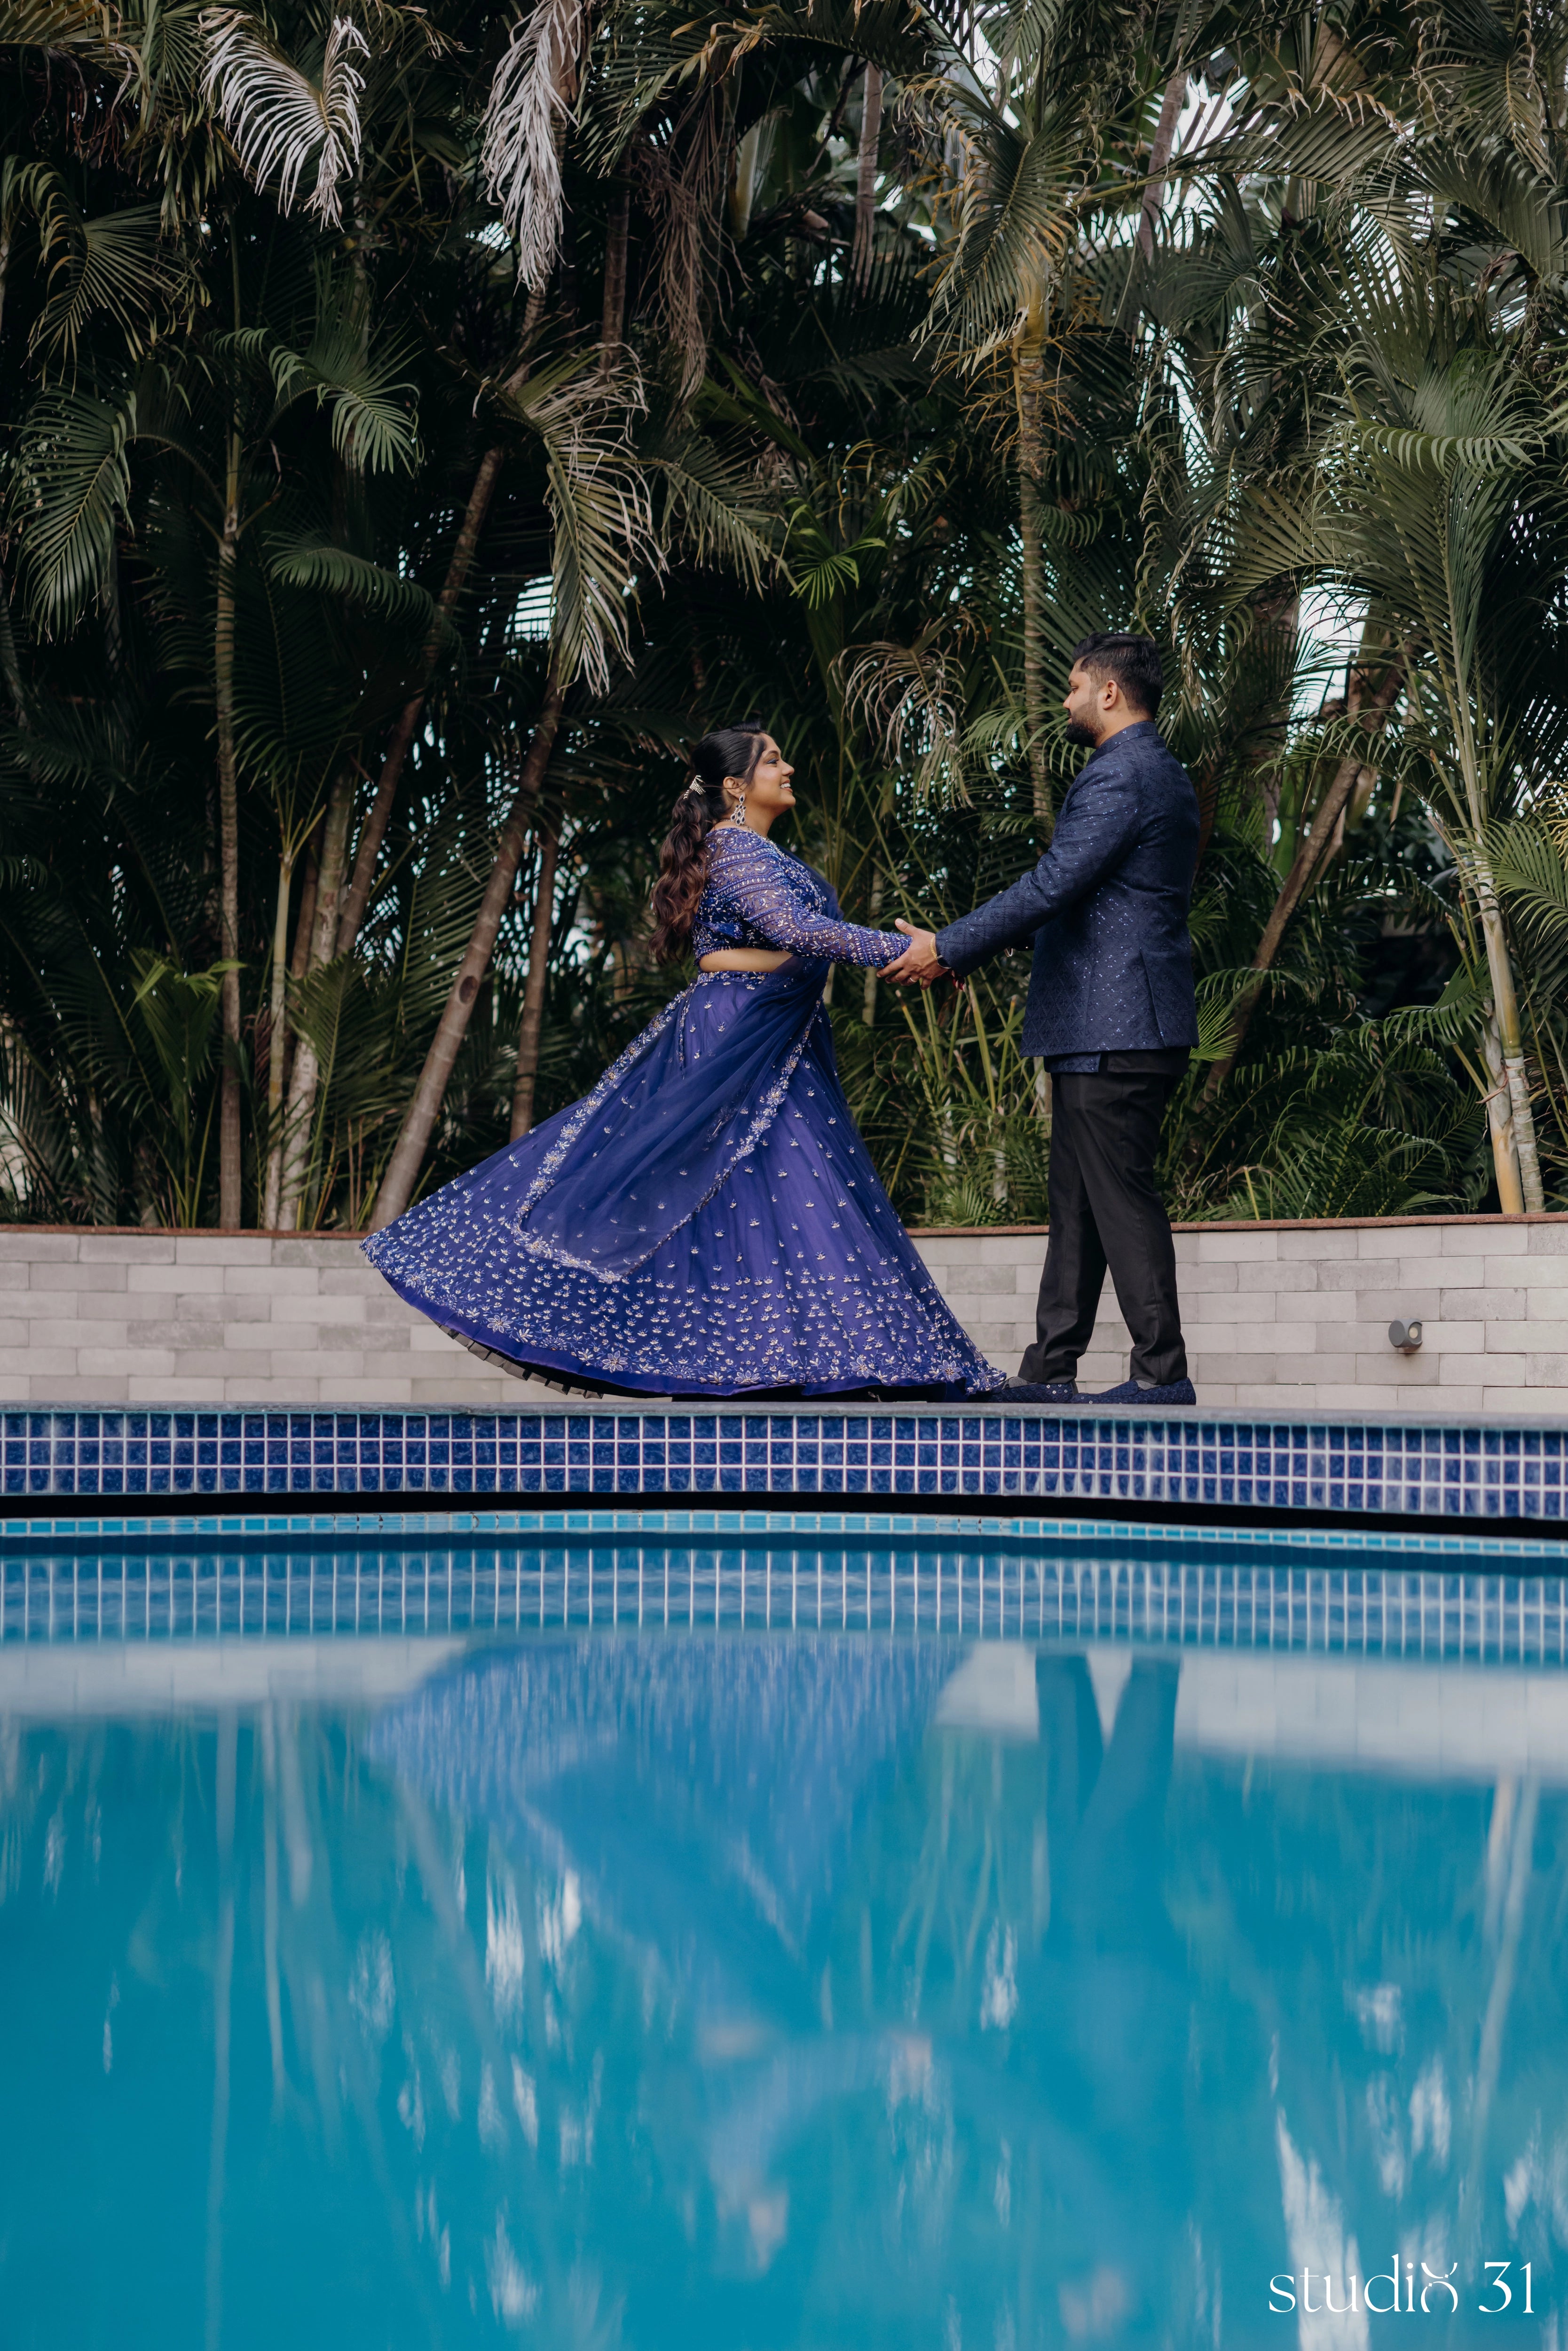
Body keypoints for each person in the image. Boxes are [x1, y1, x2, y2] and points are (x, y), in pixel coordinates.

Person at [363, 721, 1003, 1400]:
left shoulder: (750, 851)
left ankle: (770, 1360)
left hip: (771, 1026)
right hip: (741, 1029)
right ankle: (780, 1363)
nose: (788, 769)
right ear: (735, 785)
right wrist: (901, 952)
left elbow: (741, 947)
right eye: (774, 761)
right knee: (755, 1177)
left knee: (760, 1188)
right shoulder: (738, 848)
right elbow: (794, 931)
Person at [884, 633, 1199, 1406]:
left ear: (1110, 694)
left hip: (1115, 1024)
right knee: (1079, 1206)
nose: (1066, 702)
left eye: (1072, 688)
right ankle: (1050, 1368)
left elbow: (1056, 882)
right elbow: (1092, 896)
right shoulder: (1156, 771)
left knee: (1119, 1200)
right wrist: (959, 953)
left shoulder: (1120, 774)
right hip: (1109, 1024)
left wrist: (948, 947)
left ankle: (1162, 1376)